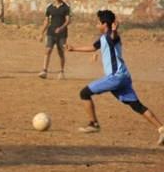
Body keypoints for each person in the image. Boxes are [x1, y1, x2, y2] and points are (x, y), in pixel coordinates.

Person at [67, 9, 164, 145]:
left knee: (84, 93)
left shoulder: (111, 36)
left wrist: (114, 30)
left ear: (105, 24)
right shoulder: (103, 38)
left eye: (98, 23)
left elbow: (114, 37)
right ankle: (161, 128)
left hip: (116, 77)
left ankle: (93, 124)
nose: (96, 25)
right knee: (136, 105)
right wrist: (74, 48)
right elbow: (93, 47)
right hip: (123, 77)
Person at [39, 0, 71, 80]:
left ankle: (61, 71)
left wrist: (61, 28)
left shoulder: (66, 7)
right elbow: (46, 21)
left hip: (62, 34)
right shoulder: (49, 7)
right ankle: (44, 70)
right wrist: (41, 33)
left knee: (61, 53)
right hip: (51, 32)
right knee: (47, 50)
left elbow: (68, 21)